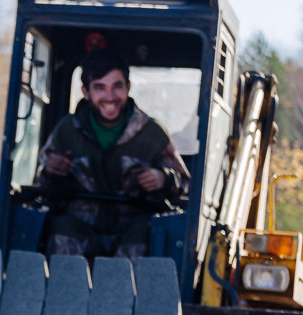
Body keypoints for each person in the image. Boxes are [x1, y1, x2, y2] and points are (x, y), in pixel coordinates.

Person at [36, 48, 190, 259]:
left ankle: (131, 293)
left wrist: (163, 178)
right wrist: (51, 171)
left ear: (128, 87)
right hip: (80, 225)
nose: (110, 96)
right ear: (86, 92)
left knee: (147, 237)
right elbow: (40, 185)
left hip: (132, 227)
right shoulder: (66, 131)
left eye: (117, 86)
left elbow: (185, 186)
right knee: (61, 229)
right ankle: (66, 292)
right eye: (100, 87)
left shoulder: (152, 134)